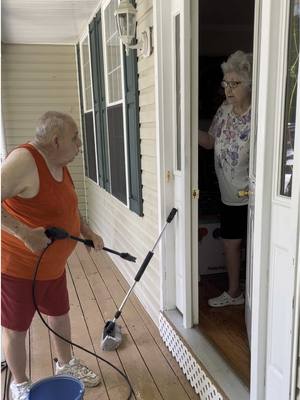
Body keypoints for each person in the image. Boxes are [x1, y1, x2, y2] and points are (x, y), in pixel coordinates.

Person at [1, 111, 104, 400]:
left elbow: (69, 207)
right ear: (57, 140)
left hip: (53, 267)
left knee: (59, 315)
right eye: (75, 138)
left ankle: (66, 364)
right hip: (19, 267)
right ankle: (20, 384)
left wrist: (88, 231)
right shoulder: (24, 161)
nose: (79, 144)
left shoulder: (60, 162)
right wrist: (24, 233)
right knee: (15, 329)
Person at [198, 51, 252, 307]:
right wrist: (184, 127)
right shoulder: (224, 110)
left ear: (249, 84)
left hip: (251, 197)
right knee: (231, 244)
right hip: (229, 194)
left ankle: (257, 299)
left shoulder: (259, 115)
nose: (228, 89)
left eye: (235, 83)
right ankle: (234, 293)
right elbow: (209, 142)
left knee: (253, 248)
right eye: (225, 83)